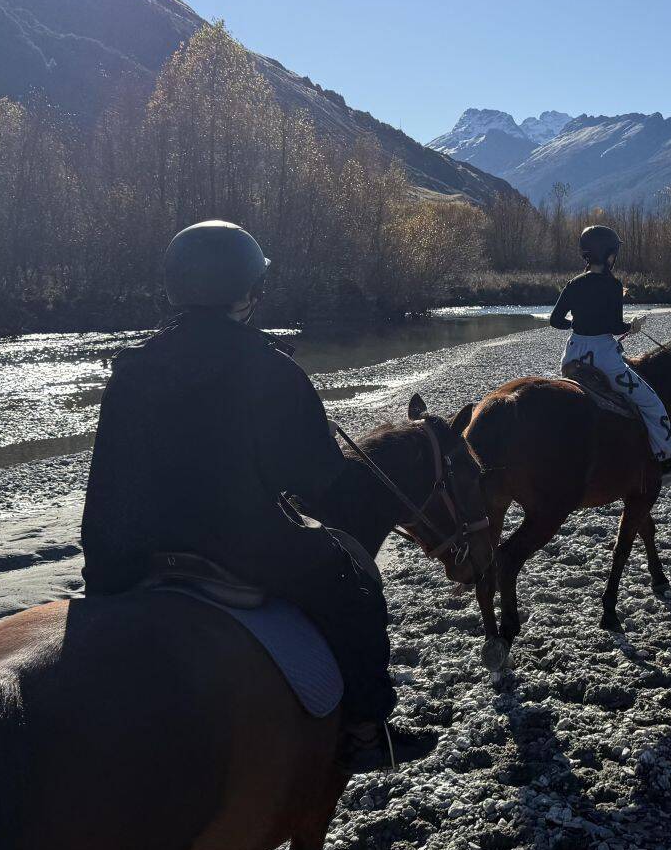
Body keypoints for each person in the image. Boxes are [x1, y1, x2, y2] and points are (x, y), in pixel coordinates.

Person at [80, 219, 435, 772]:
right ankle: (367, 732)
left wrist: (103, 568)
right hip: (238, 547)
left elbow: (110, 474)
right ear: (248, 291)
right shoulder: (268, 367)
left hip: (125, 553)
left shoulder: (133, 367)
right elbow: (320, 482)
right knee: (356, 587)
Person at [550, 225, 671, 471]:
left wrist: (577, 324)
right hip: (604, 358)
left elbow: (556, 321)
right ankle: (664, 457)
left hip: (572, 354)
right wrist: (632, 326)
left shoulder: (573, 284)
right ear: (608, 253)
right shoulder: (612, 285)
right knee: (652, 403)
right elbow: (614, 326)